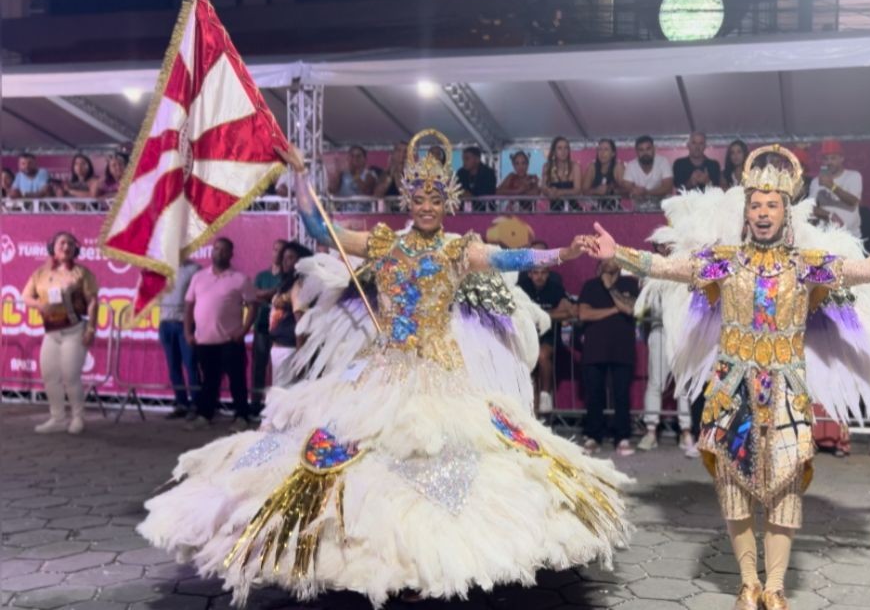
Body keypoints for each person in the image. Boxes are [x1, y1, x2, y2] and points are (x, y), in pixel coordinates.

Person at [138, 130, 630, 605]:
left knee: (440, 466)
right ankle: (377, 558)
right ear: (408, 200)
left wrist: (563, 252)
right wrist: (302, 177)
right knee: (368, 464)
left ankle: (429, 562)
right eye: (419, 197)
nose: (427, 206)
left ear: (448, 202)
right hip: (383, 372)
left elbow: (511, 257)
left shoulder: (459, 250)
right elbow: (318, 229)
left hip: (441, 377)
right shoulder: (383, 243)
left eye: (436, 198)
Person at [584, 144, 870, 608]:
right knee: (734, 490)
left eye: (772, 206)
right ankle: (747, 583)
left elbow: (865, 269)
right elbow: (668, 267)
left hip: (785, 393)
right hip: (731, 394)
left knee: (784, 492)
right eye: (756, 206)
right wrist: (617, 254)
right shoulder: (723, 261)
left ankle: (777, 588)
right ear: (746, 213)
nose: (763, 213)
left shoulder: (807, 265)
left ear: (786, 213)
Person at [21, 231, 99, 434]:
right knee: (50, 376)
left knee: (71, 376)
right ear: (52, 248)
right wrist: (39, 305)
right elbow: (26, 296)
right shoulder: (41, 273)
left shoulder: (82, 273)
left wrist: (91, 328)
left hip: (74, 331)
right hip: (51, 333)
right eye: (62, 243)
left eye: (71, 244)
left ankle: (78, 417)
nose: (66, 247)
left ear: (76, 249)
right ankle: (57, 418)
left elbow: (92, 301)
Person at [184, 237, 258, 431]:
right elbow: (189, 306)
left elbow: (252, 306)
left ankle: (241, 416)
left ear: (231, 254)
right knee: (208, 380)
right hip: (204, 341)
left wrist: (243, 331)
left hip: (230, 340)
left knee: (237, 380)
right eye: (216, 249)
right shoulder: (198, 277)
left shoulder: (240, 279)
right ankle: (205, 415)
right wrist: (187, 332)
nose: (219, 253)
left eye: (224, 250)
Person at [636, 241, 697, 457]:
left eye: (669, 244)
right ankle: (651, 430)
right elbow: (645, 304)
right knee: (655, 381)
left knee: (683, 382)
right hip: (659, 329)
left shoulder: (685, 266)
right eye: (660, 245)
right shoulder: (649, 269)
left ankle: (686, 431)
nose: (665, 248)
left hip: (681, 331)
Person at [579, 259, 640, 456]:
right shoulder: (590, 285)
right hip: (595, 349)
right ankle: (593, 437)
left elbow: (630, 309)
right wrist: (615, 309)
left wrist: (610, 288)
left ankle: (622, 437)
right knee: (594, 394)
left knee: (621, 395)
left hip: (622, 349)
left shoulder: (630, 284)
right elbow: (584, 314)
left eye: (613, 257)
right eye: (605, 258)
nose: (609, 261)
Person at [519, 265, 574, 415]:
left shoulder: (555, 288)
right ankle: (533, 415)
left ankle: (545, 395)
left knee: (542, 356)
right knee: (531, 375)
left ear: (548, 274)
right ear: (529, 274)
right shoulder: (521, 288)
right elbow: (517, 312)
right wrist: (550, 314)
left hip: (549, 336)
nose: (539, 277)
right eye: (535, 273)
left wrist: (540, 316)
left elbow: (569, 312)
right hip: (526, 336)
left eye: (543, 273)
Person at [160, 259, 202, 420]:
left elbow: (200, 294)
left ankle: (197, 405)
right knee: (173, 367)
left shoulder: (194, 269)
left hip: (184, 324)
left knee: (191, 364)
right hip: (165, 323)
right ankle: (181, 403)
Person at [268, 242, 313, 388]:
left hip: (289, 350)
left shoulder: (299, 285)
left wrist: (301, 356)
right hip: (279, 348)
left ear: (301, 261)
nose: (286, 261)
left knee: (283, 397)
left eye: (291, 257)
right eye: (284, 258)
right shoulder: (286, 284)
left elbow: (301, 322)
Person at [251, 239, 288, 414]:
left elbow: (281, 294)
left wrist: (268, 295)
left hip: (280, 330)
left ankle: (274, 407)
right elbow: (254, 295)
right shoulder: (262, 276)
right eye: (275, 250)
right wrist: (271, 294)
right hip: (261, 326)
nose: (277, 254)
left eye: (281, 251)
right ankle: (255, 405)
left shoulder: (287, 277)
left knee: (279, 369)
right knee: (259, 367)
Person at [809, 140, 863, 238]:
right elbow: (810, 208)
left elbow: (853, 201)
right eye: (826, 159)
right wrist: (830, 215)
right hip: (825, 236)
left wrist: (832, 186)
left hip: (850, 236)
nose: (829, 162)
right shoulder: (816, 181)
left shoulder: (853, 176)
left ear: (841, 158)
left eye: (833, 158)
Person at [616, 135, 673, 199]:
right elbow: (626, 187)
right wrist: (632, 190)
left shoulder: (663, 161)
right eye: (641, 150)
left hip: (662, 206)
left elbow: (668, 187)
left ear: (654, 149)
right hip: (639, 207)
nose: (645, 153)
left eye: (648, 149)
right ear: (636, 152)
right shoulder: (631, 165)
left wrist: (647, 192)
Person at [541, 136, 581, 200]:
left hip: (572, 208)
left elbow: (577, 190)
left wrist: (561, 192)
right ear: (554, 151)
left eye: (566, 148)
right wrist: (549, 191)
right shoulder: (547, 167)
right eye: (559, 148)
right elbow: (543, 188)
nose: (563, 151)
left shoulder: (575, 166)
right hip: (554, 208)